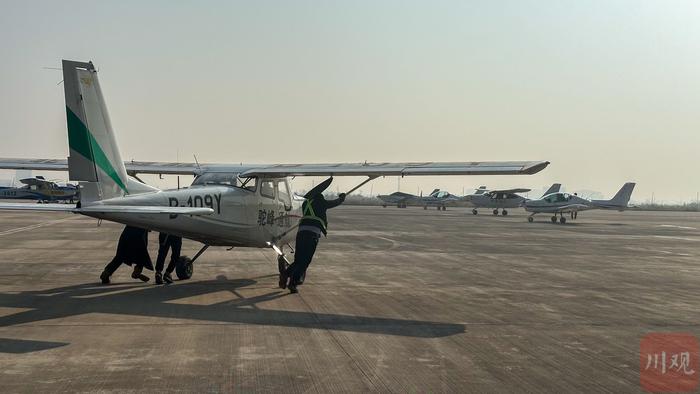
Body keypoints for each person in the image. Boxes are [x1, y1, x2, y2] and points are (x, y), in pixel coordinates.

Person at [280, 177, 345, 293]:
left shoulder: (306, 203)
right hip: (312, 235)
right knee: (305, 261)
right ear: (320, 197)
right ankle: (293, 284)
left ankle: (285, 274)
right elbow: (334, 203)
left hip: (301, 233)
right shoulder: (321, 202)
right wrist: (342, 198)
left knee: (299, 259)